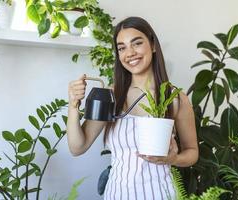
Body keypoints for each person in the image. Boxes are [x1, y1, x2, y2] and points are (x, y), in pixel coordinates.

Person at [67, 16, 198, 200]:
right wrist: (73, 105)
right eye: (122, 48)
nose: (129, 53)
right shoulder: (111, 96)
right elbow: (77, 147)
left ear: (152, 45)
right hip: (117, 194)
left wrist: (173, 159)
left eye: (136, 43)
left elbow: (192, 152)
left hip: (161, 194)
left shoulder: (175, 99)